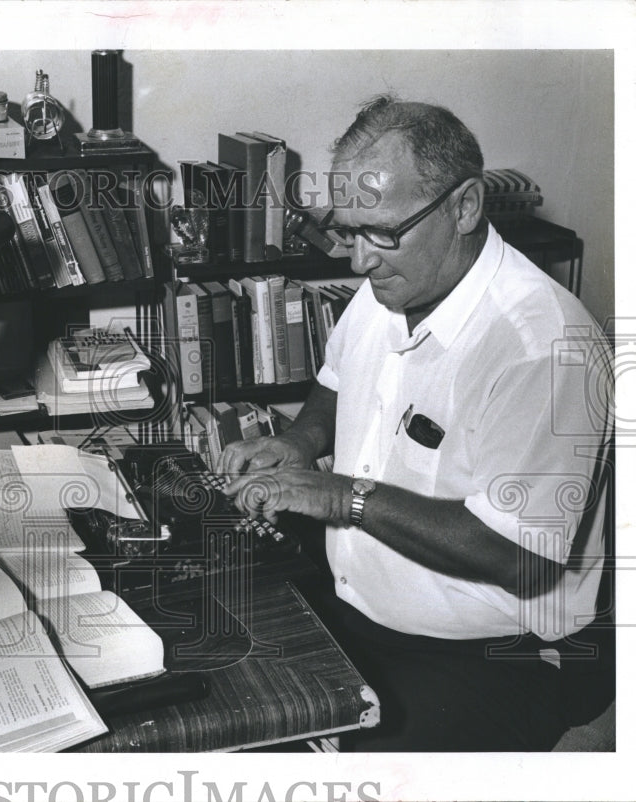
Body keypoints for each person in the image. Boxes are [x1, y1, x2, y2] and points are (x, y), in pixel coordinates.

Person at [220, 96, 613, 751]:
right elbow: (335, 384)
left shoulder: (541, 348)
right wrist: (297, 442)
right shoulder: (394, 286)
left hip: (492, 661)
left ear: (464, 206)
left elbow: (521, 559)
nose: (358, 261)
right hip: (358, 612)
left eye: (381, 231)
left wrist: (344, 497)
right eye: (348, 232)